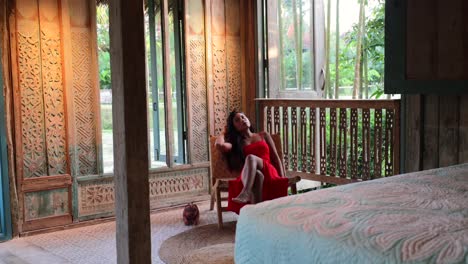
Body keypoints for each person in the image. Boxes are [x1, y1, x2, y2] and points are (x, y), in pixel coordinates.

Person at [215, 110, 288, 214]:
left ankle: (246, 192)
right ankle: (256, 217)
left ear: (248, 119)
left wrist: (283, 179)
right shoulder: (236, 143)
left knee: (250, 158)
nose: (242, 120)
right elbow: (219, 146)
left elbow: (276, 158)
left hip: (267, 169)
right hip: (249, 175)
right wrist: (224, 132)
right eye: (237, 120)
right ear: (234, 127)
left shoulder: (264, 135)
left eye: (243, 117)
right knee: (257, 176)